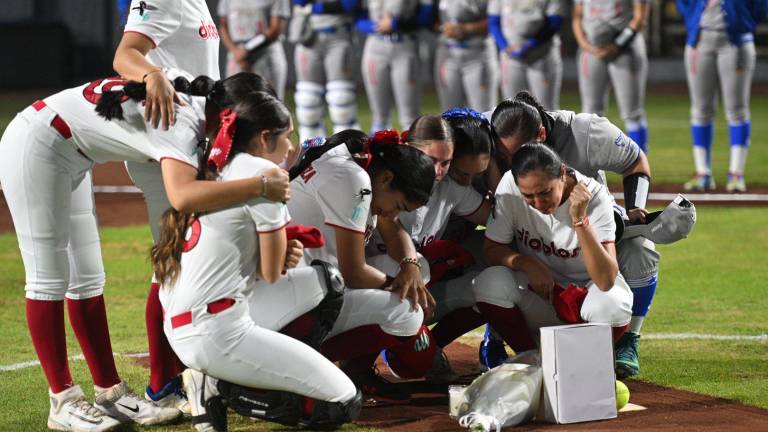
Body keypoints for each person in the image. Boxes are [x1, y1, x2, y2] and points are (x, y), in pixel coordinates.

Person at [0, 71, 296, 431]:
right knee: (48, 278)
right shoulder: (182, 121)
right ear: (231, 116)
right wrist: (261, 185)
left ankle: (111, 392)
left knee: (88, 279)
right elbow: (183, 195)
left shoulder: (195, 107)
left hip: (70, 150)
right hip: (37, 143)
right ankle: (62, 400)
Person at [113, 0, 293, 412]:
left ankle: (188, 374)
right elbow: (125, 55)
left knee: (188, 255)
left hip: (189, 136)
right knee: (176, 259)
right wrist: (154, 75)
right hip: (167, 140)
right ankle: (165, 384)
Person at [153, 91, 362, 432]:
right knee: (342, 403)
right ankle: (221, 386)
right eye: (288, 135)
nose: (292, 146)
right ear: (266, 137)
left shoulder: (216, 165)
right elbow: (271, 272)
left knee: (323, 281)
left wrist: (284, 249)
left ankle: (223, 377)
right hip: (218, 330)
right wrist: (285, 251)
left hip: (185, 323)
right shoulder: (266, 175)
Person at [485, 92, 658, 379]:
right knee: (492, 274)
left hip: (589, 235)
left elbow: (636, 161)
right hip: (533, 254)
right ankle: (508, 342)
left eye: (544, 191)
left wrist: (633, 207)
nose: (519, 163)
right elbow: (493, 247)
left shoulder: (587, 133)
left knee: (638, 250)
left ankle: (625, 341)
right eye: (507, 157)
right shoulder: (499, 137)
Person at [286, 130, 437, 402]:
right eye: (398, 205)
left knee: (418, 271)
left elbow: (394, 232)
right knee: (408, 314)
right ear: (388, 178)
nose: (393, 213)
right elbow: (353, 272)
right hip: (296, 302)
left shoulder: (366, 168)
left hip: (311, 282)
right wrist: (399, 287)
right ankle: (306, 362)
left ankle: (354, 370)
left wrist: (410, 266)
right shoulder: (353, 179)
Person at [367, 111, 495, 384]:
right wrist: (410, 267)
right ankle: (356, 364)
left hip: (403, 285)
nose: (437, 171)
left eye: (446, 163)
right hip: (358, 283)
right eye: (431, 160)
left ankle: (423, 340)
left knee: (492, 281)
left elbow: (498, 221)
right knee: (419, 266)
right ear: (409, 149)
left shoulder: (452, 187)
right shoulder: (382, 179)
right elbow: (386, 238)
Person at [473, 144, 633, 358]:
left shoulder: (594, 196)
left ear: (562, 173)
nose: (538, 203)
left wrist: (580, 220)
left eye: (545, 192)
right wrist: (525, 263)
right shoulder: (510, 184)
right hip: (542, 296)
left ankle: (586, 360)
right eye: (528, 196)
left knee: (612, 304)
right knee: (489, 282)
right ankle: (530, 358)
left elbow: (605, 280)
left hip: (588, 295)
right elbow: (492, 249)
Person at [677, 0, 766, 192]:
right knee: (700, 110)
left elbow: (761, 6)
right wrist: (692, 20)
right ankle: (703, 173)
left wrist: (743, 24)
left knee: (737, 110)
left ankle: (736, 173)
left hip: (736, 41)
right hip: (699, 39)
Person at [572, 0, 651, 152]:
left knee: (632, 113)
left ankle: (639, 169)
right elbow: (577, 17)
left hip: (626, 50)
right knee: (590, 114)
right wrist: (586, 46)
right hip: (592, 51)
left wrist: (617, 45)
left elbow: (640, 17)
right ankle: (591, 170)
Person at [357, 0, 435, 132]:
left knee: (409, 117)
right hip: (375, 46)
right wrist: (376, 26)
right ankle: (377, 151)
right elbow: (358, 18)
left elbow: (425, 19)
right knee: (379, 117)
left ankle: (411, 151)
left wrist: (396, 24)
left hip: (405, 45)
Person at [292, 0, 361, 141]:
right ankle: (311, 152)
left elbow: (350, 4)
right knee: (307, 101)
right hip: (308, 35)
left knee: (341, 99)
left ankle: (348, 149)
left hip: (338, 35)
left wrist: (314, 7)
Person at [488, 0, 565, 110]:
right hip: (510, 58)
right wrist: (504, 46)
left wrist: (531, 44)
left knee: (546, 109)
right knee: (512, 108)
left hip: (541, 55)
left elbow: (555, 22)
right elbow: (493, 21)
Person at [218, 0, 291, 99]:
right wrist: (235, 51)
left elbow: (275, 29)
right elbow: (223, 25)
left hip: (265, 53)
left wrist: (246, 50)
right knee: (234, 104)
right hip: (236, 53)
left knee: (269, 103)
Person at [434, 0, 498, 112]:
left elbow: (498, 19)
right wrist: (444, 28)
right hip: (448, 53)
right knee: (449, 117)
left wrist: (466, 28)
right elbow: (426, 18)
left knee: (484, 115)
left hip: (478, 53)